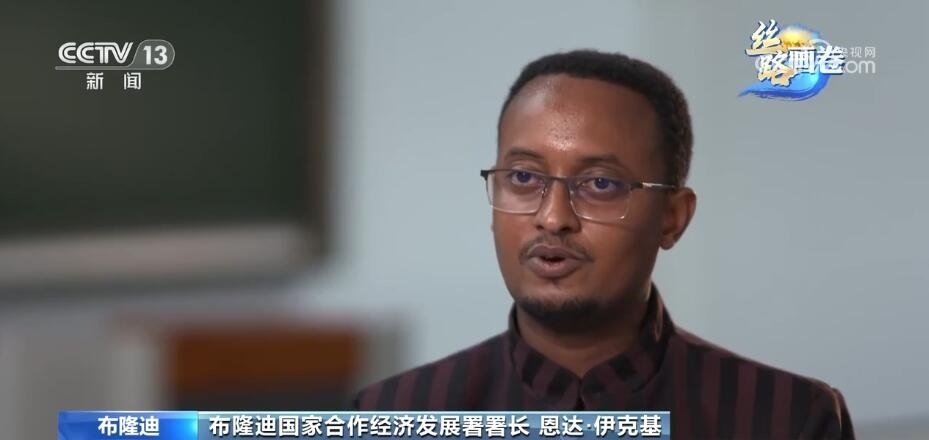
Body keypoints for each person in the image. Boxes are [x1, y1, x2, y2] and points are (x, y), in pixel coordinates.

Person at [352, 50, 854, 439]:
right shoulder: (390, 416)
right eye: (523, 177)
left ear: (673, 219)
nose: (553, 218)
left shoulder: (786, 418)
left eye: (600, 184)